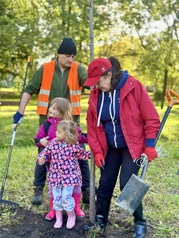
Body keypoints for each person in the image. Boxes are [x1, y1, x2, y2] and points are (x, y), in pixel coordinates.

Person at [84, 57, 160, 238]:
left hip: (132, 146)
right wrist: (97, 151)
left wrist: (149, 145)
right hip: (109, 147)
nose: (96, 86)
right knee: (105, 185)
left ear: (109, 75)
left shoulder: (133, 86)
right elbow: (92, 127)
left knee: (128, 184)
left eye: (98, 81)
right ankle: (101, 221)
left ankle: (140, 222)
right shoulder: (96, 96)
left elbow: (151, 118)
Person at [13, 37, 90, 205]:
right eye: (68, 56)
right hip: (48, 123)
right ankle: (38, 189)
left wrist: (94, 77)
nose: (71, 59)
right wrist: (20, 112)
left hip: (71, 125)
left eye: (73, 56)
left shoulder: (78, 69)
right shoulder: (45, 69)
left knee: (80, 157)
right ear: (59, 54)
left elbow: (89, 81)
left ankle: (86, 190)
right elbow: (29, 90)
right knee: (43, 155)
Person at [34, 97, 88, 221]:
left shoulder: (69, 126)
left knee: (73, 186)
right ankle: (54, 209)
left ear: (62, 112)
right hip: (54, 164)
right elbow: (37, 138)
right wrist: (41, 141)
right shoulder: (46, 124)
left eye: (54, 108)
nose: (50, 109)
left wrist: (94, 139)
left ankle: (76, 206)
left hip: (69, 165)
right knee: (55, 187)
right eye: (51, 107)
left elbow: (80, 137)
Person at [37, 120, 91, 229]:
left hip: (69, 178)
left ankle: (71, 216)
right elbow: (44, 154)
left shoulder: (74, 146)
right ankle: (59, 218)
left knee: (66, 197)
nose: (55, 133)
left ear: (67, 134)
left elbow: (83, 155)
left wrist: (93, 152)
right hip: (55, 177)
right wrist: (41, 159)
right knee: (57, 198)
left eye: (59, 132)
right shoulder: (53, 143)